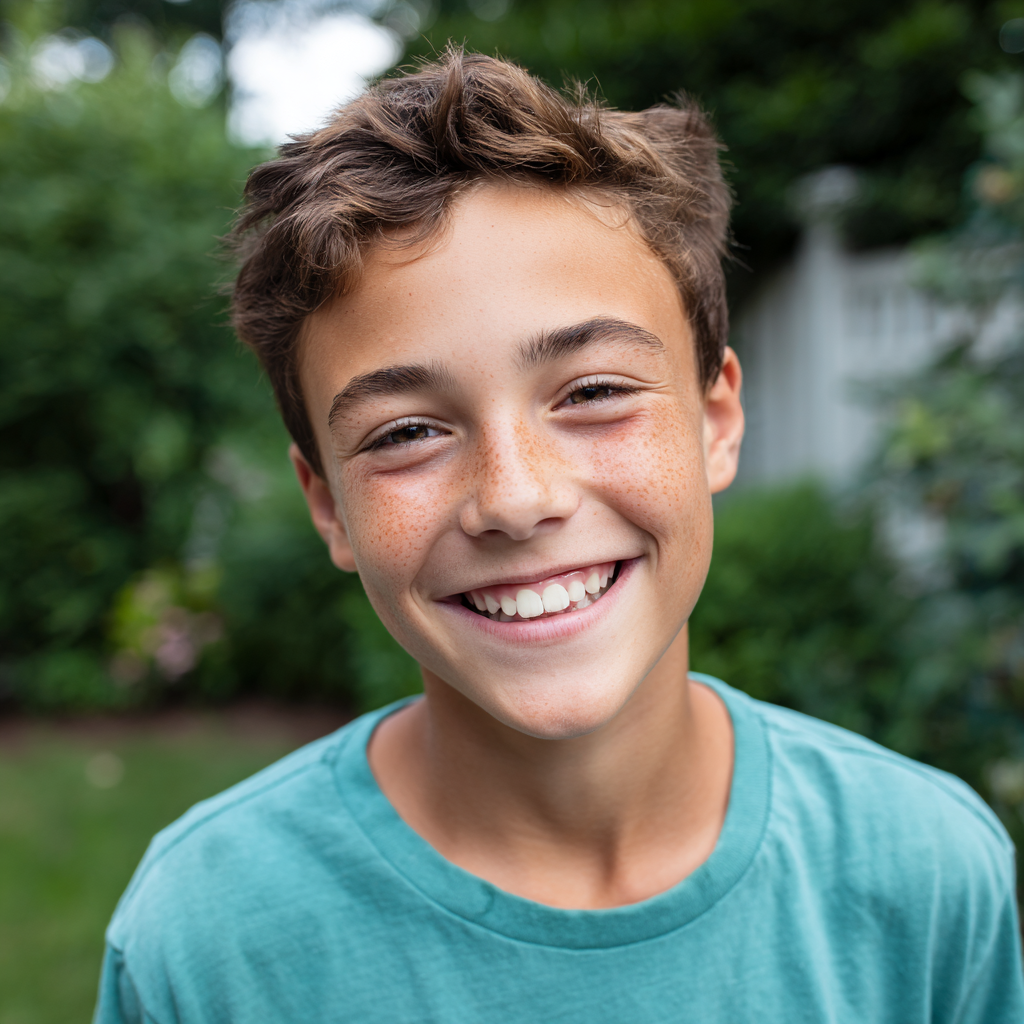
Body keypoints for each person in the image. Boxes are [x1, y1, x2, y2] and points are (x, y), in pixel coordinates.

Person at [93, 49, 1024, 1023]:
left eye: (591, 392)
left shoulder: (926, 877)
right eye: (408, 431)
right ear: (327, 503)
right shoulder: (206, 942)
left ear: (715, 422)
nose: (515, 497)